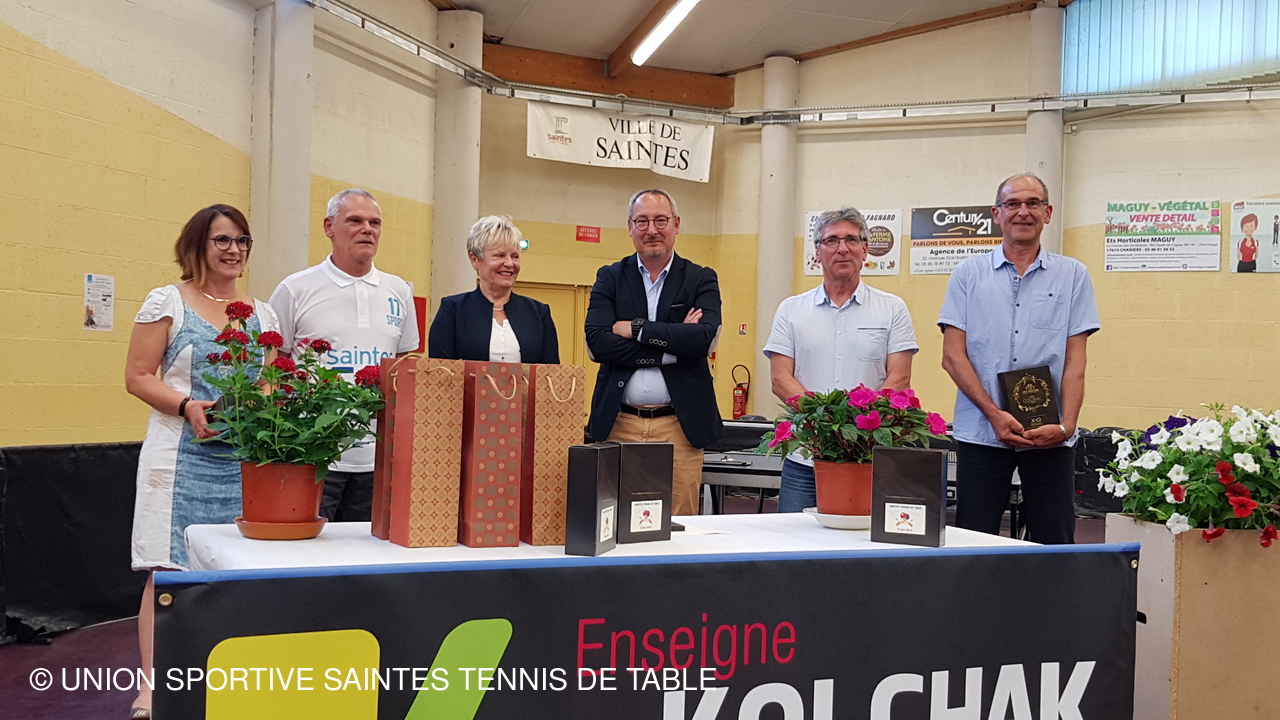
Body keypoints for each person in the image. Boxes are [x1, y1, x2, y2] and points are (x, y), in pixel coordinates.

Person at [124, 204, 280, 719]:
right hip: (178, 458)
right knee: (166, 573)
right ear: (198, 245)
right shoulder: (167, 301)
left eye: (242, 240)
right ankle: (152, 688)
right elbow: (138, 376)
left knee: (237, 573)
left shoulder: (264, 314)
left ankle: (229, 679)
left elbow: (269, 380)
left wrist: (262, 403)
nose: (234, 250)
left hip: (243, 463)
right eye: (222, 240)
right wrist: (188, 406)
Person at [938, 173, 1099, 545]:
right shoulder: (967, 275)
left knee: (1055, 540)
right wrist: (994, 414)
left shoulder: (1073, 276)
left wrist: (1067, 427)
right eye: (1012, 204)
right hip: (981, 432)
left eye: (1032, 203)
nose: (1022, 212)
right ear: (997, 214)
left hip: (1050, 436)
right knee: (972, 541)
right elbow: (952, 357)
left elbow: (1075, 362)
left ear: (1048, 213)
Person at [269, 188, 419, 522]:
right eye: (355, 221)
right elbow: (274, 367)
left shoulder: (398, 291)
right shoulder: (295, 289)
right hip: (312, 454)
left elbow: (404, 364)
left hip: (377, 458)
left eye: (375, 223)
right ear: (329, 227)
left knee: (366, 550)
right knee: (306, 546)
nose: (367, 229)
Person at [764, 206, 918, 512]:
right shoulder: (790, 310)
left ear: (865, 249)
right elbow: (780, 379)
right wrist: (826, 425)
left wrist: (856, 429)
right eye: (831, 240)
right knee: (794, 539)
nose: (842, 248)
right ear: (817, 252)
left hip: (867, 457)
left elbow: (899, 378)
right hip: (805, 457)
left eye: (851, 239)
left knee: (863, 540)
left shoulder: (892, 309)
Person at [585, 189, 723, 517]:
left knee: (681, 526)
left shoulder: (700, 278)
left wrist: (637, 329)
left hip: (679, 426)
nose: (652, 230)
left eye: (660, 220)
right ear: (629, 227)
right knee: (613, 521)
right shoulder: (610, 277)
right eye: (642, 221)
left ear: (676, 224)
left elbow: (703, 339)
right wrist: (671, 348)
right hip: (619, 423)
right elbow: (597, 342)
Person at [428, 215, 558, 363]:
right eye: (499, 255)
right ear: (475, 260)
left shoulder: (539, 313)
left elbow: (551, 372)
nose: (509, 263)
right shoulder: (452, 310)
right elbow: (438, 371)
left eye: (515, 256)